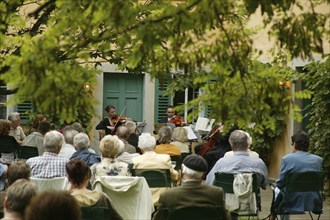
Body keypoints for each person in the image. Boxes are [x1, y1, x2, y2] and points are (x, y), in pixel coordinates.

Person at [153, 155, 230, 220]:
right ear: (203, 173)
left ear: (183, 170)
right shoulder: (216, 193)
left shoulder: (167, 195)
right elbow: (226, 217)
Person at [270, 130, 323, 216]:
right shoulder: (318, 160)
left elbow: (281, 182)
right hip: (313, 201)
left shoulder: (287, 159)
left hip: (291, 201)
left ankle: (273, 215)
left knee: (276, 190)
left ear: (294, 144)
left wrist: (276, 184)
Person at [132, 133, 178, 205]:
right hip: (163, 198)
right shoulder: (165, 159)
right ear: (155, 146)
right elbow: (175, 177)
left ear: (140, 148)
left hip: (143, 198)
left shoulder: (135, 161)